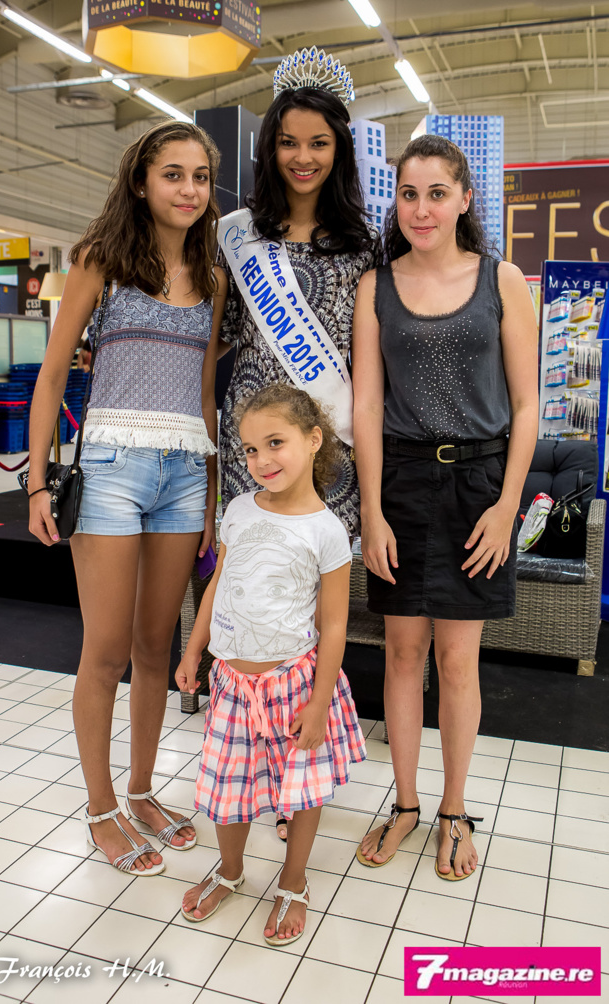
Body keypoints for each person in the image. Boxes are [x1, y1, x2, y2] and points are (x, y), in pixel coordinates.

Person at [27, 121, 227, 875]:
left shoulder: (212, 278)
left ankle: (143, 791)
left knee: (154, 648)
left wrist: (210, 496)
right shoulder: (100, 260)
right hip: (110, 467)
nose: (188, 189)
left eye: (200, 176)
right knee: (105, 650)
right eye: (173, 174)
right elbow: (53, 374)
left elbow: (204, 393)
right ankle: (100, 806)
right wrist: (37, 480)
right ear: (141, 181)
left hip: (184, 472)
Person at [352, 135, 538, 880]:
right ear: (394, 202)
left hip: (478, 487)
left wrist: (506, 507)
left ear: (464, 198)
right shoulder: (376, 286)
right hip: (400, 483)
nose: (421, 209)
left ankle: (453, 810)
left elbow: (526, 406)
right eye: (408, 194)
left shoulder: (502, 279)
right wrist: (371, 509)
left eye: (436, 193)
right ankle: (404, 804)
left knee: (458, 660)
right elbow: (367, 406)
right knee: (401, 654)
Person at [176, 383, 365, 944]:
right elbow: (218, 583)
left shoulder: (327, 531)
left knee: (301, 791)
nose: (261, 460)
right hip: (232, 685)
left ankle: (294, 880)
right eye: (250, 449)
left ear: (314, 440)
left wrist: (320, 702)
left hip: (295, 685)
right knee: (227, 787)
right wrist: (194, 648)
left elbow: (335, 625)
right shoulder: (237, 510)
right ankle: (230, 870)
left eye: (275, 443)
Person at [217, 47, 377, 542]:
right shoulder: (237, 236)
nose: (303, 158)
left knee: (324, 573)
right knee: (254, 567)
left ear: (339, 150)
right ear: (271, 148)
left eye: (319, 144)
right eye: (289, 143)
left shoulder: (365, 246)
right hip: (253, 444)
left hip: (330, 444)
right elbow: (218, 337)